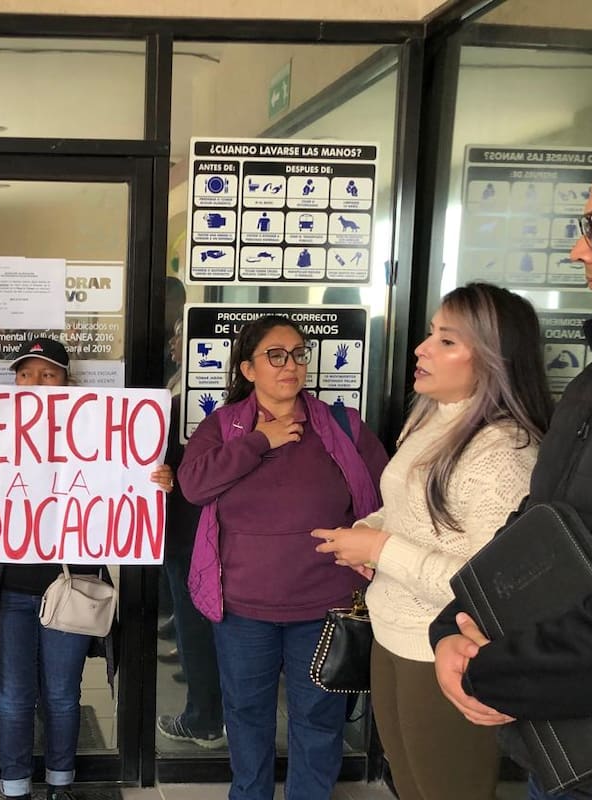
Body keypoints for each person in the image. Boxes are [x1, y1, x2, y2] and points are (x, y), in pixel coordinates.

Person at [430, 128, 592, 800]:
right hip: (560, 747)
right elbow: (535, 529)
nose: (578, 249)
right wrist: (451, 627)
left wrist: (492, 672)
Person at [314, 283, 552, 800]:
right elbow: (407, 511)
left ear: (493, 359)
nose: (421, 349)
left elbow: (491, 581)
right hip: (392, 633)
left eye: (447, 340)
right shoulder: (433, 422)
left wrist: (379, 552)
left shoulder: (504, 452)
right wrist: (368, 529)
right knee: (412, 786)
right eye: (430, 334)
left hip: (444, 648)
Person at [0, 336, 174, 800]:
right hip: (9, 593)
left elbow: (123, 488)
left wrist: (155, 480)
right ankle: (15, 788)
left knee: (62, 695)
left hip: (71, 590)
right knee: (13, 699)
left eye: (48, 374)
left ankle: (61, 785)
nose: (35, 382)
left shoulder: (93, 435)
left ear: (66, 381)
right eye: (25, 373)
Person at [178, 315, 387, 800]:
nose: (290, 365)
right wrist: (260, 441)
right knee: (247, 715)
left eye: (298, 353)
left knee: (318, 719)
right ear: (248, 369)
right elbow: (194, 485)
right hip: (244, 609)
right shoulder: (223, 428)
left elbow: (385, 498)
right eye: (276, 355)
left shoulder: (341, 426)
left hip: (324, 605)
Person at [157, 320, 225, 749]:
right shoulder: (179, 387)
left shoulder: (193, 405)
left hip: (191, 529)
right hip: (191, 527)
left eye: (184, 334)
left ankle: (204, 718)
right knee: (193, 621)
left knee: (198, 620)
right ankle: (202, 691)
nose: (175, 340)